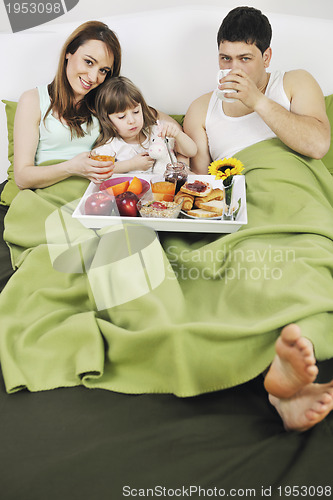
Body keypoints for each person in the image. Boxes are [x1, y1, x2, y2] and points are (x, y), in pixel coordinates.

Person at [183, 6, 333, 431]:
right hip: (245, 206)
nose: (233, 69)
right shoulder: (201, 108)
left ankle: (288, 374)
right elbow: (201, 183)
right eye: (225, 59)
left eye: (244, 59)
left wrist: (257, 101)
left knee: (308, 261)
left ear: (266, 57)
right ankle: (284, 383)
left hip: (299, 198)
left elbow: (318, 143)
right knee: (249, 267)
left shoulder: (294, 82)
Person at [92, 76, 197, 173]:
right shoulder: (112, 145)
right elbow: (100, 169)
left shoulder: (156, 132)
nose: (131, 120)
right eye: (122, 117)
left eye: (136, 112)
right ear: (108, 120)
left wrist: (178, 134)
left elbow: (191, 152)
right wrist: (131, 165)